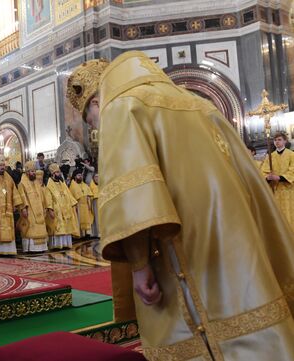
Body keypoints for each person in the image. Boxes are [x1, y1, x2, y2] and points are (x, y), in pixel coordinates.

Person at [67, 51, 294, 359]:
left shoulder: (122, 107)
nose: (97, 126)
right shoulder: (201, 104)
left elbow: (133, 190)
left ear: (96, 102)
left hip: (185, 244)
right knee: (248, 318)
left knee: (200, 326)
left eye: (93, 122)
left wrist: (139, 264)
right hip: (238, 238)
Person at [261, 131, 294, 229]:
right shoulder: (270, 156)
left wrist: (279, 177)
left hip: (289, 190)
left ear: (285, 141)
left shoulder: (291, 155)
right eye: (275, 140)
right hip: (275, 190)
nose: (277, 142)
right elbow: (264, 170)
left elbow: (293, 170)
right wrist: (267, 177)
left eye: (279, 140)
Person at [17, 161, 49, 253]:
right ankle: (30, 248)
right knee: (30, 228)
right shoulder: (22, 184)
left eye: (34, 171)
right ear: (27, 173)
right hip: (29, 210)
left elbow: (41, 196)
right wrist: (23, 209)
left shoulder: (37, 183)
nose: (34, 173)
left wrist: (44, 207)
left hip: (39, 208)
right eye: (32, 171)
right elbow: (21, 197)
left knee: (40, 227)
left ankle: (42, 247)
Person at [45, 163, 78, 249]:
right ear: (52, 174)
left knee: (66, 227)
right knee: (58, 227)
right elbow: (48, 198)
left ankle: (66, 244)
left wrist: (73, 204)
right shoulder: (49, 185)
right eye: (57, 172)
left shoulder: (62, 183)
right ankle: (57, 245)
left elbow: (68, 194)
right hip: (57, 210)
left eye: (59, 172)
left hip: (66, 208)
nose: (59, 174)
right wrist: (50, 209)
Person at [69, 169, 93, 238]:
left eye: (81, 175)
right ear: (75, 176)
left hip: (85, 205)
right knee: (79, 220)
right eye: (79, 175)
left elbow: (89, 194)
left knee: (86, 219)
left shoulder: (85, 185)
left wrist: (88, 200)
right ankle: (80, 235)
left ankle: (86, 233)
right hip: (78, 205)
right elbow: (72, 197)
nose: (80, 177)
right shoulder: (72, 185)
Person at [89, 173, 99, 238]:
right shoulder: (91, 185)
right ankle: (97, 233)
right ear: (93, 178)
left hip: (101, 201)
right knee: (96, 218)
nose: (97, 178)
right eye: (96, 176)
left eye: (98, 177)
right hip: (95, 202)